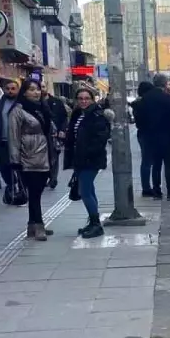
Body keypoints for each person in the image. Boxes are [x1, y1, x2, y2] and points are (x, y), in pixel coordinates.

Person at [9, 79, 54, 240]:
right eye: (32, 89)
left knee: (38, 191)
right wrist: (15, 161)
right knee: (34, 192)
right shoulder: (18, 110)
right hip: (28, 156)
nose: (36, 92)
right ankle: (39, 225)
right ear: (24, 92)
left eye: (38, 89)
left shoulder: (42, 108)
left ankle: (31, 225)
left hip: (44, 154)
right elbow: (13, 136)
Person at [64, 86, 112, 239]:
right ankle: (93, 222)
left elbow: (100, 139)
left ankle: (96, 224)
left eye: (87, 98)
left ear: (92, 99)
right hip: (79, 159)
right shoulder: (78, 114)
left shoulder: (97, 115)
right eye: (80, 98)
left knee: (84, 191)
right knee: (89, 190)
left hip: (91, 160)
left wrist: (88, 153)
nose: (84, 101)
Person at [144, 74, 170, 199]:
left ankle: (157, 191)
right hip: (166, 135)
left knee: (156, 165)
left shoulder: (146, 98)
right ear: (165, 84)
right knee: (169, 165)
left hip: (151, 136)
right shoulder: (168, 98)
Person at [0, 78, 20, 200]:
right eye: (7, 89)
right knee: (4, 167)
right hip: (4, 141)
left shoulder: (22, 103)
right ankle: (11, 184)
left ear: (18, 90)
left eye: (13, 89)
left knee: (19, 167)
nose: (10, 91)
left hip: (19, 142)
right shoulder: (0, 104)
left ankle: (21, 191)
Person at [130, 80, 156, 196]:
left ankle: (146, 186)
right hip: (150, 133)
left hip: (141, 133)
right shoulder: (148, 103)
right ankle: (149, 188)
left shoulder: (137, 103)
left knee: (146, 161)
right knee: (150, 161)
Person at [43, 89, 69, 189]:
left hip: (54, 135)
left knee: (54, 157)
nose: (41, 89)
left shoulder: (57, 102)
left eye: (43, 86)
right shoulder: (34, 103)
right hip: (40, 136)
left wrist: (62, 130)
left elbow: (64, 117)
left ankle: (53, 178)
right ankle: (47, 177)